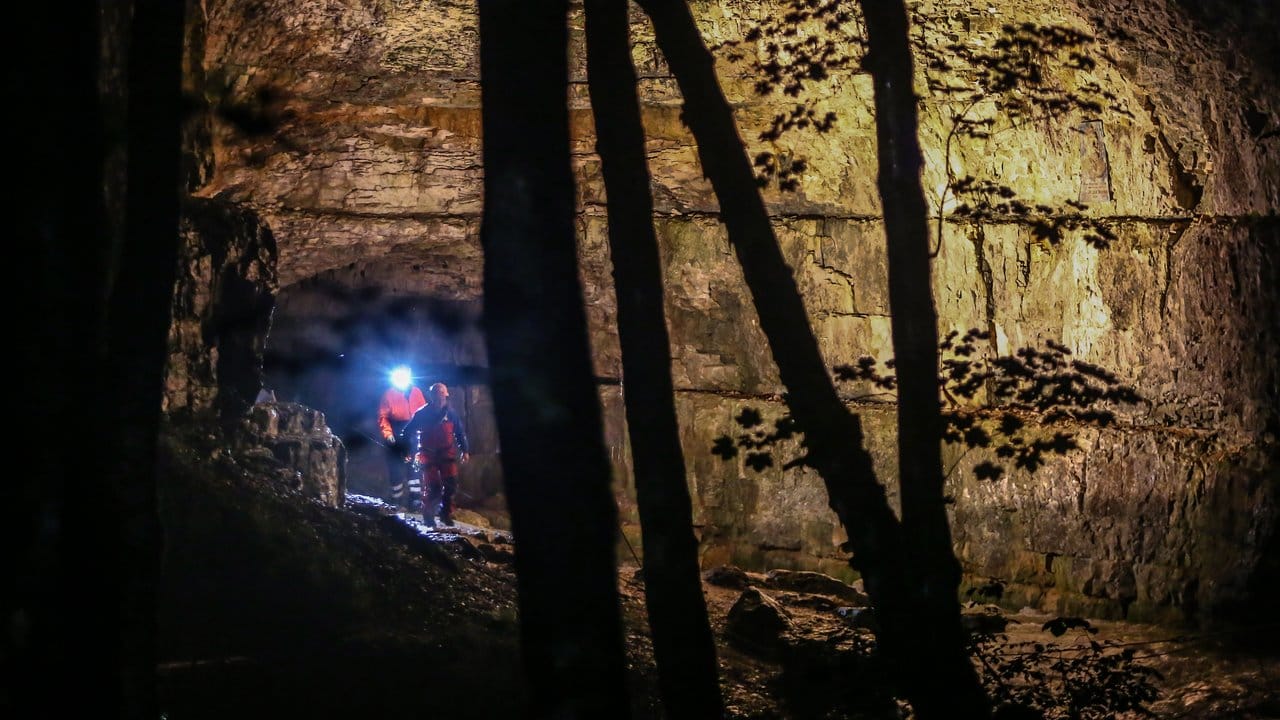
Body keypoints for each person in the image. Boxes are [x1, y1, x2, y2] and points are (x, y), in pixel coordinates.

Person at [398, 382, 470, 527]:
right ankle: (428, 516)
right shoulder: (422, 413)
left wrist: (465, 450)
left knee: (451, 486)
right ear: (431, 396)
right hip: (428, 455)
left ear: (446, 395)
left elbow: (459, 433)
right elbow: (407, 431)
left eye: (441, 393)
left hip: (446, 454)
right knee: (433, 488)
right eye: (436, 394)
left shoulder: (451, 414)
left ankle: (445, 513)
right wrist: (405, 450)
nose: (439, 397)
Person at [377, 365, 427, 508]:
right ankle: (396, 500)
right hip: (396, 434)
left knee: (414, 467)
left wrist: (423, 433)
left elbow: (424, 414)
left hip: (413, 434)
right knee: (396, 468)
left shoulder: (416, 392)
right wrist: (388, 434)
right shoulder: (389, 394)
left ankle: (415, 500)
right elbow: (383, 416)